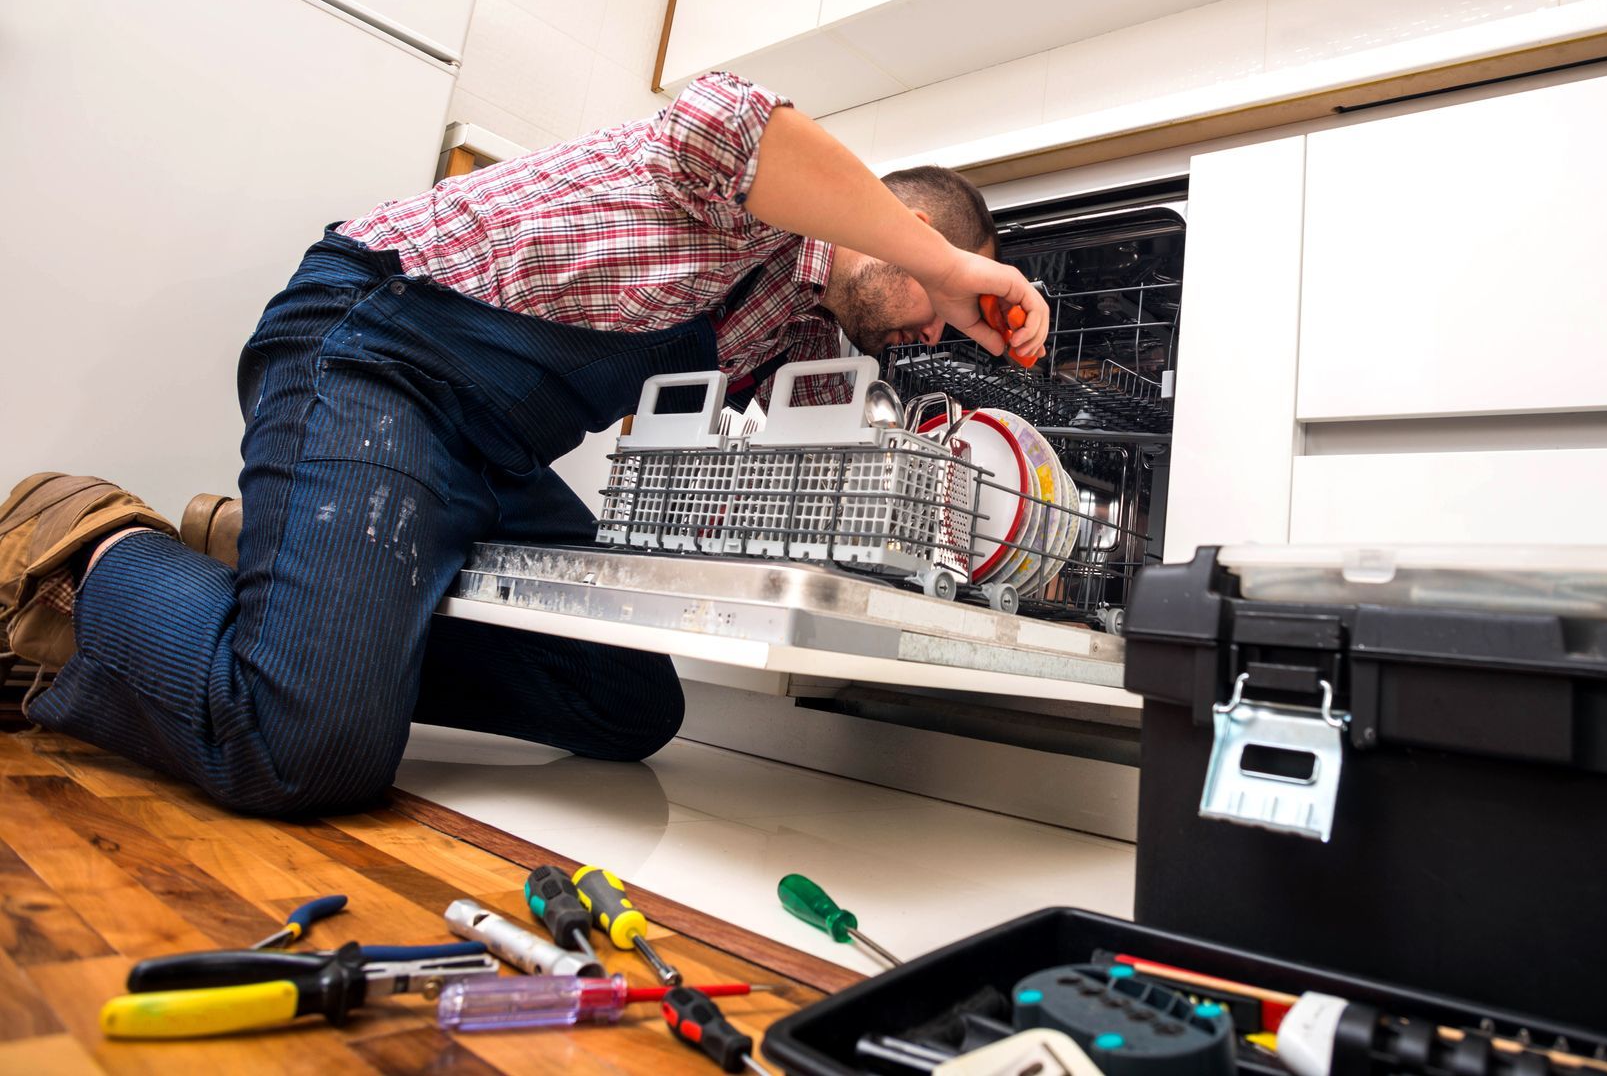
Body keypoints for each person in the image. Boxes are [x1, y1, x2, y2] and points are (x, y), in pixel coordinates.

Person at [0, 72, 1049, 816]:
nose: (935, 332)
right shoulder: (763, 193)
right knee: (302, 749)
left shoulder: (800, 332)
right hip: (373, 355)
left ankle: (291, 581)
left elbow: (780, 483)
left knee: (632, 702)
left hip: (486, 451)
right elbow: (740, 121)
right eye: (941, 300)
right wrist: (957, 272)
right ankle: (86, 556)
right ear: (908, 226)